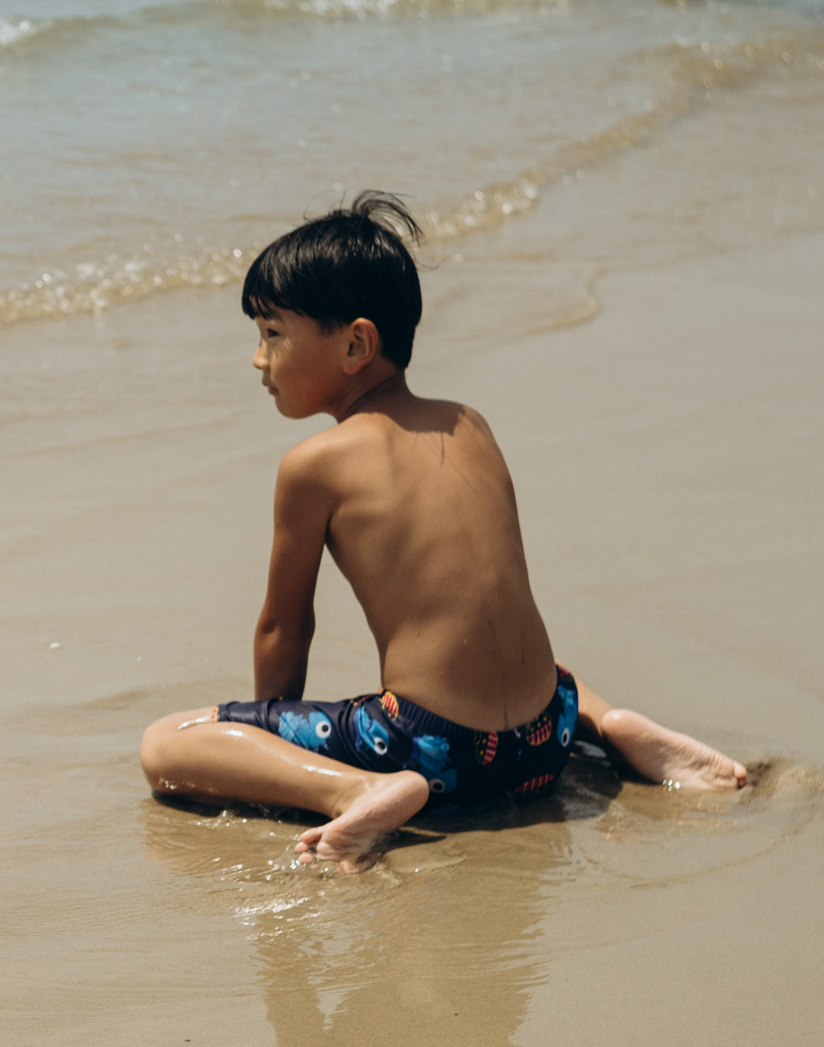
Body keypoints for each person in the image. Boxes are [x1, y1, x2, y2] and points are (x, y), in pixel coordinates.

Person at [137, 192, 748, 871]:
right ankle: (616, 726)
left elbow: (284, 628)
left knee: (165, 743)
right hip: (546, 735)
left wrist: (272, 751)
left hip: (434, 757)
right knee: (529, 663)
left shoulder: (313, 464)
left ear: (356, 344)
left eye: (273, 333)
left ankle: (358, 789)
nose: (258, 359)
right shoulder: (470, 423)